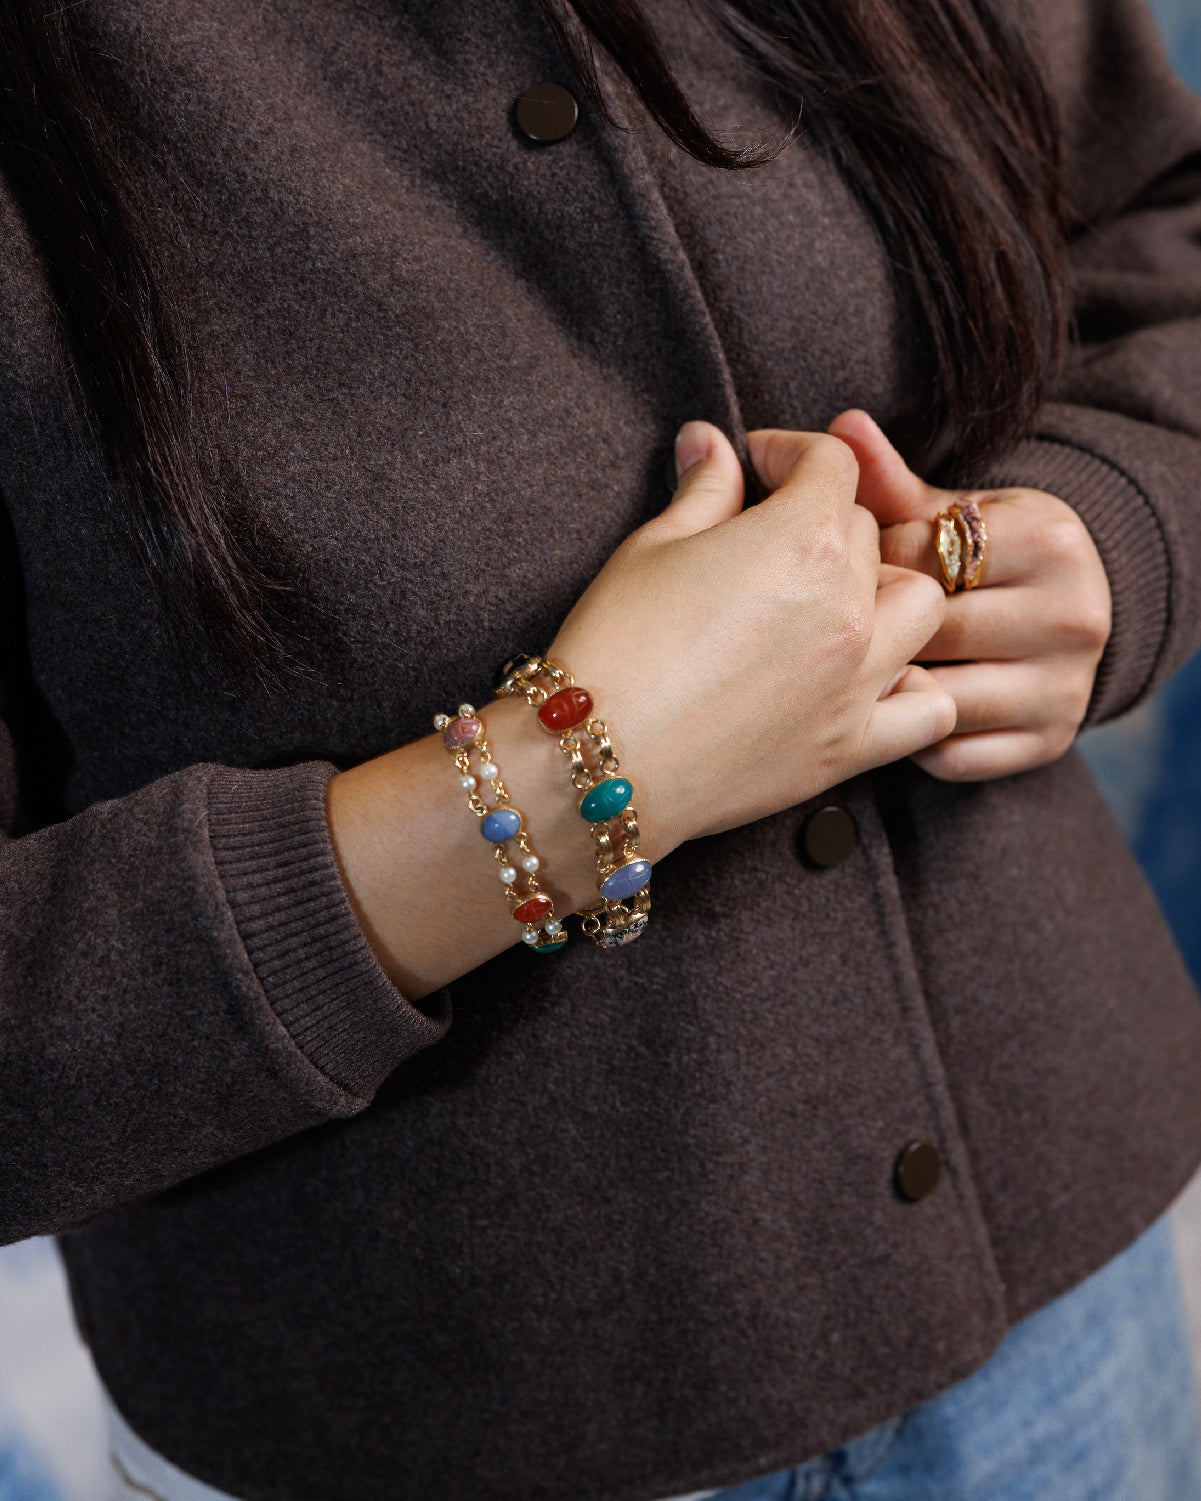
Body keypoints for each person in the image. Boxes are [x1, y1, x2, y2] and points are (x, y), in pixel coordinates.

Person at [1, 0, 1200, 1497]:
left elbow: (1161, 214)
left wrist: (1112, 524)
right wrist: (567, 783)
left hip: (1066, 1283)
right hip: (427, 1427)